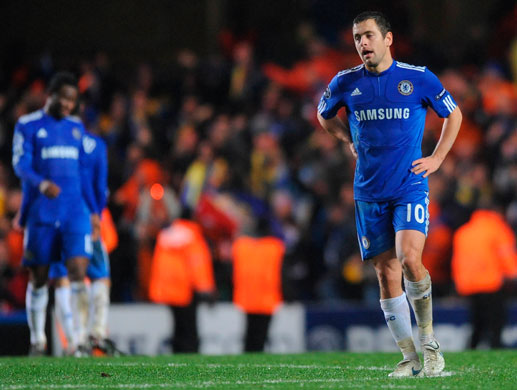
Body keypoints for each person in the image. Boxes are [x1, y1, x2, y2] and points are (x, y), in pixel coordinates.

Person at [317, 11, 462, 377]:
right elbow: (323, 115)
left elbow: (453, 114)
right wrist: (348, 138)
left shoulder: (417, 78)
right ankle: (409, 355)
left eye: (367, 35)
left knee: (410, 258)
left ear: (388, 39)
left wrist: (437, 158)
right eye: (356, 38)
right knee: (385, 273)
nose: (362, 43)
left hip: (409, 185)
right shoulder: (345, 82)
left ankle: (429, 344)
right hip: (368, 191)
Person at [12, 72, 100, 355]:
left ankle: (78, 340)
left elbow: (83, 172)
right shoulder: (28, 125)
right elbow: (20, 165)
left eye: (73, 100)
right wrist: (42, 183)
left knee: (78, 271)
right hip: (43, 213)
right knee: (39, 277)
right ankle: (38, 338)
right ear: (49, 95)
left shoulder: (76, 127)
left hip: (75, 211)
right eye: (63, 97)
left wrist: (94, 210)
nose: (67, 104)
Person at [149, 210, 216, 353]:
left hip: (168, 289)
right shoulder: (192, 235)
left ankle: (177, 353)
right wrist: (205, 288)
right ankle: (190, 353)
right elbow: (197, 263)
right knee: (189, 327)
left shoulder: (166, 234)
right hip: (186, 289)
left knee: (177, 325)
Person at [451, 204, 517, 349]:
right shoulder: (497, 228)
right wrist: (513, 273)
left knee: (477, 322)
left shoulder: (463, 232)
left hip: (468, 285)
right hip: (490, 283)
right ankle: (495, 346)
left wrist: (460, 282)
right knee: (496, 322)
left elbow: (457, 260)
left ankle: (471, 349)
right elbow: (506, 254)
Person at [232, 218, 285, 352]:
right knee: (261, 335)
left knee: (250, 334)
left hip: (247, 298)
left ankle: (248, 361)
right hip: (267, 298)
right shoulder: (275, 247)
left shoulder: (242, 246)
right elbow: (282, 273)